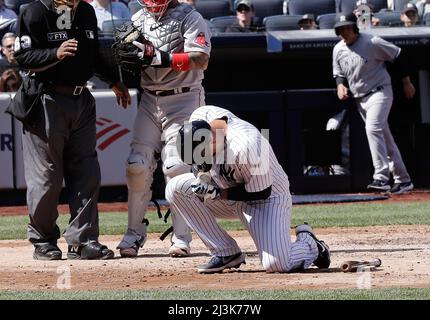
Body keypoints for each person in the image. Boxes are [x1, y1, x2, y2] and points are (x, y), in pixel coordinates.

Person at [14, 0, 131, 260]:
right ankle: (43, 240)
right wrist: (54, 54)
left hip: (81, 99)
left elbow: (94, 52)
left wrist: (114, 81)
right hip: (46, 99)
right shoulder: (34, 11)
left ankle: (83, 240)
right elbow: (22, 57)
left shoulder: (86, 11)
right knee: (47, 177)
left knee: (87, 172)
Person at [165, 105, 330, 274]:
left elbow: (261, 192)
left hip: (267, 199)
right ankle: (225, 252)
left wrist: (217, 193)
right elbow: (201, 164)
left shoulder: (249, 146)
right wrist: (203, 178)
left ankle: (310, 244)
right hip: (226, 190)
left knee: (277, 264)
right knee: (175, 188)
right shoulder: (200, 119)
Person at [116, 0, 211, 258]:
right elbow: (128, 56)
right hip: (149, 98)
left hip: (185, 96)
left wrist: (161, 57)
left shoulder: (191, 17)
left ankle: (181, 237)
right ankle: (134, 234)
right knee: (136, 165)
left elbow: (201, 59)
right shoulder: (137, 19)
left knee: (177, 166)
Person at [332, 12, 415, 194]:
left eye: (347, 28)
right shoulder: (338, 49)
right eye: (341, 29)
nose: (344, 32)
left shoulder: (372, 42)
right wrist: (340, 86)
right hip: (360, 99)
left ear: (354, 27)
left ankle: (381, 177)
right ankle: (403, 179)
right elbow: (338, 73)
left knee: (373, 129)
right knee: (385, 138)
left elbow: (398, 55)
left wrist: (406, 82)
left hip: (380, 92)